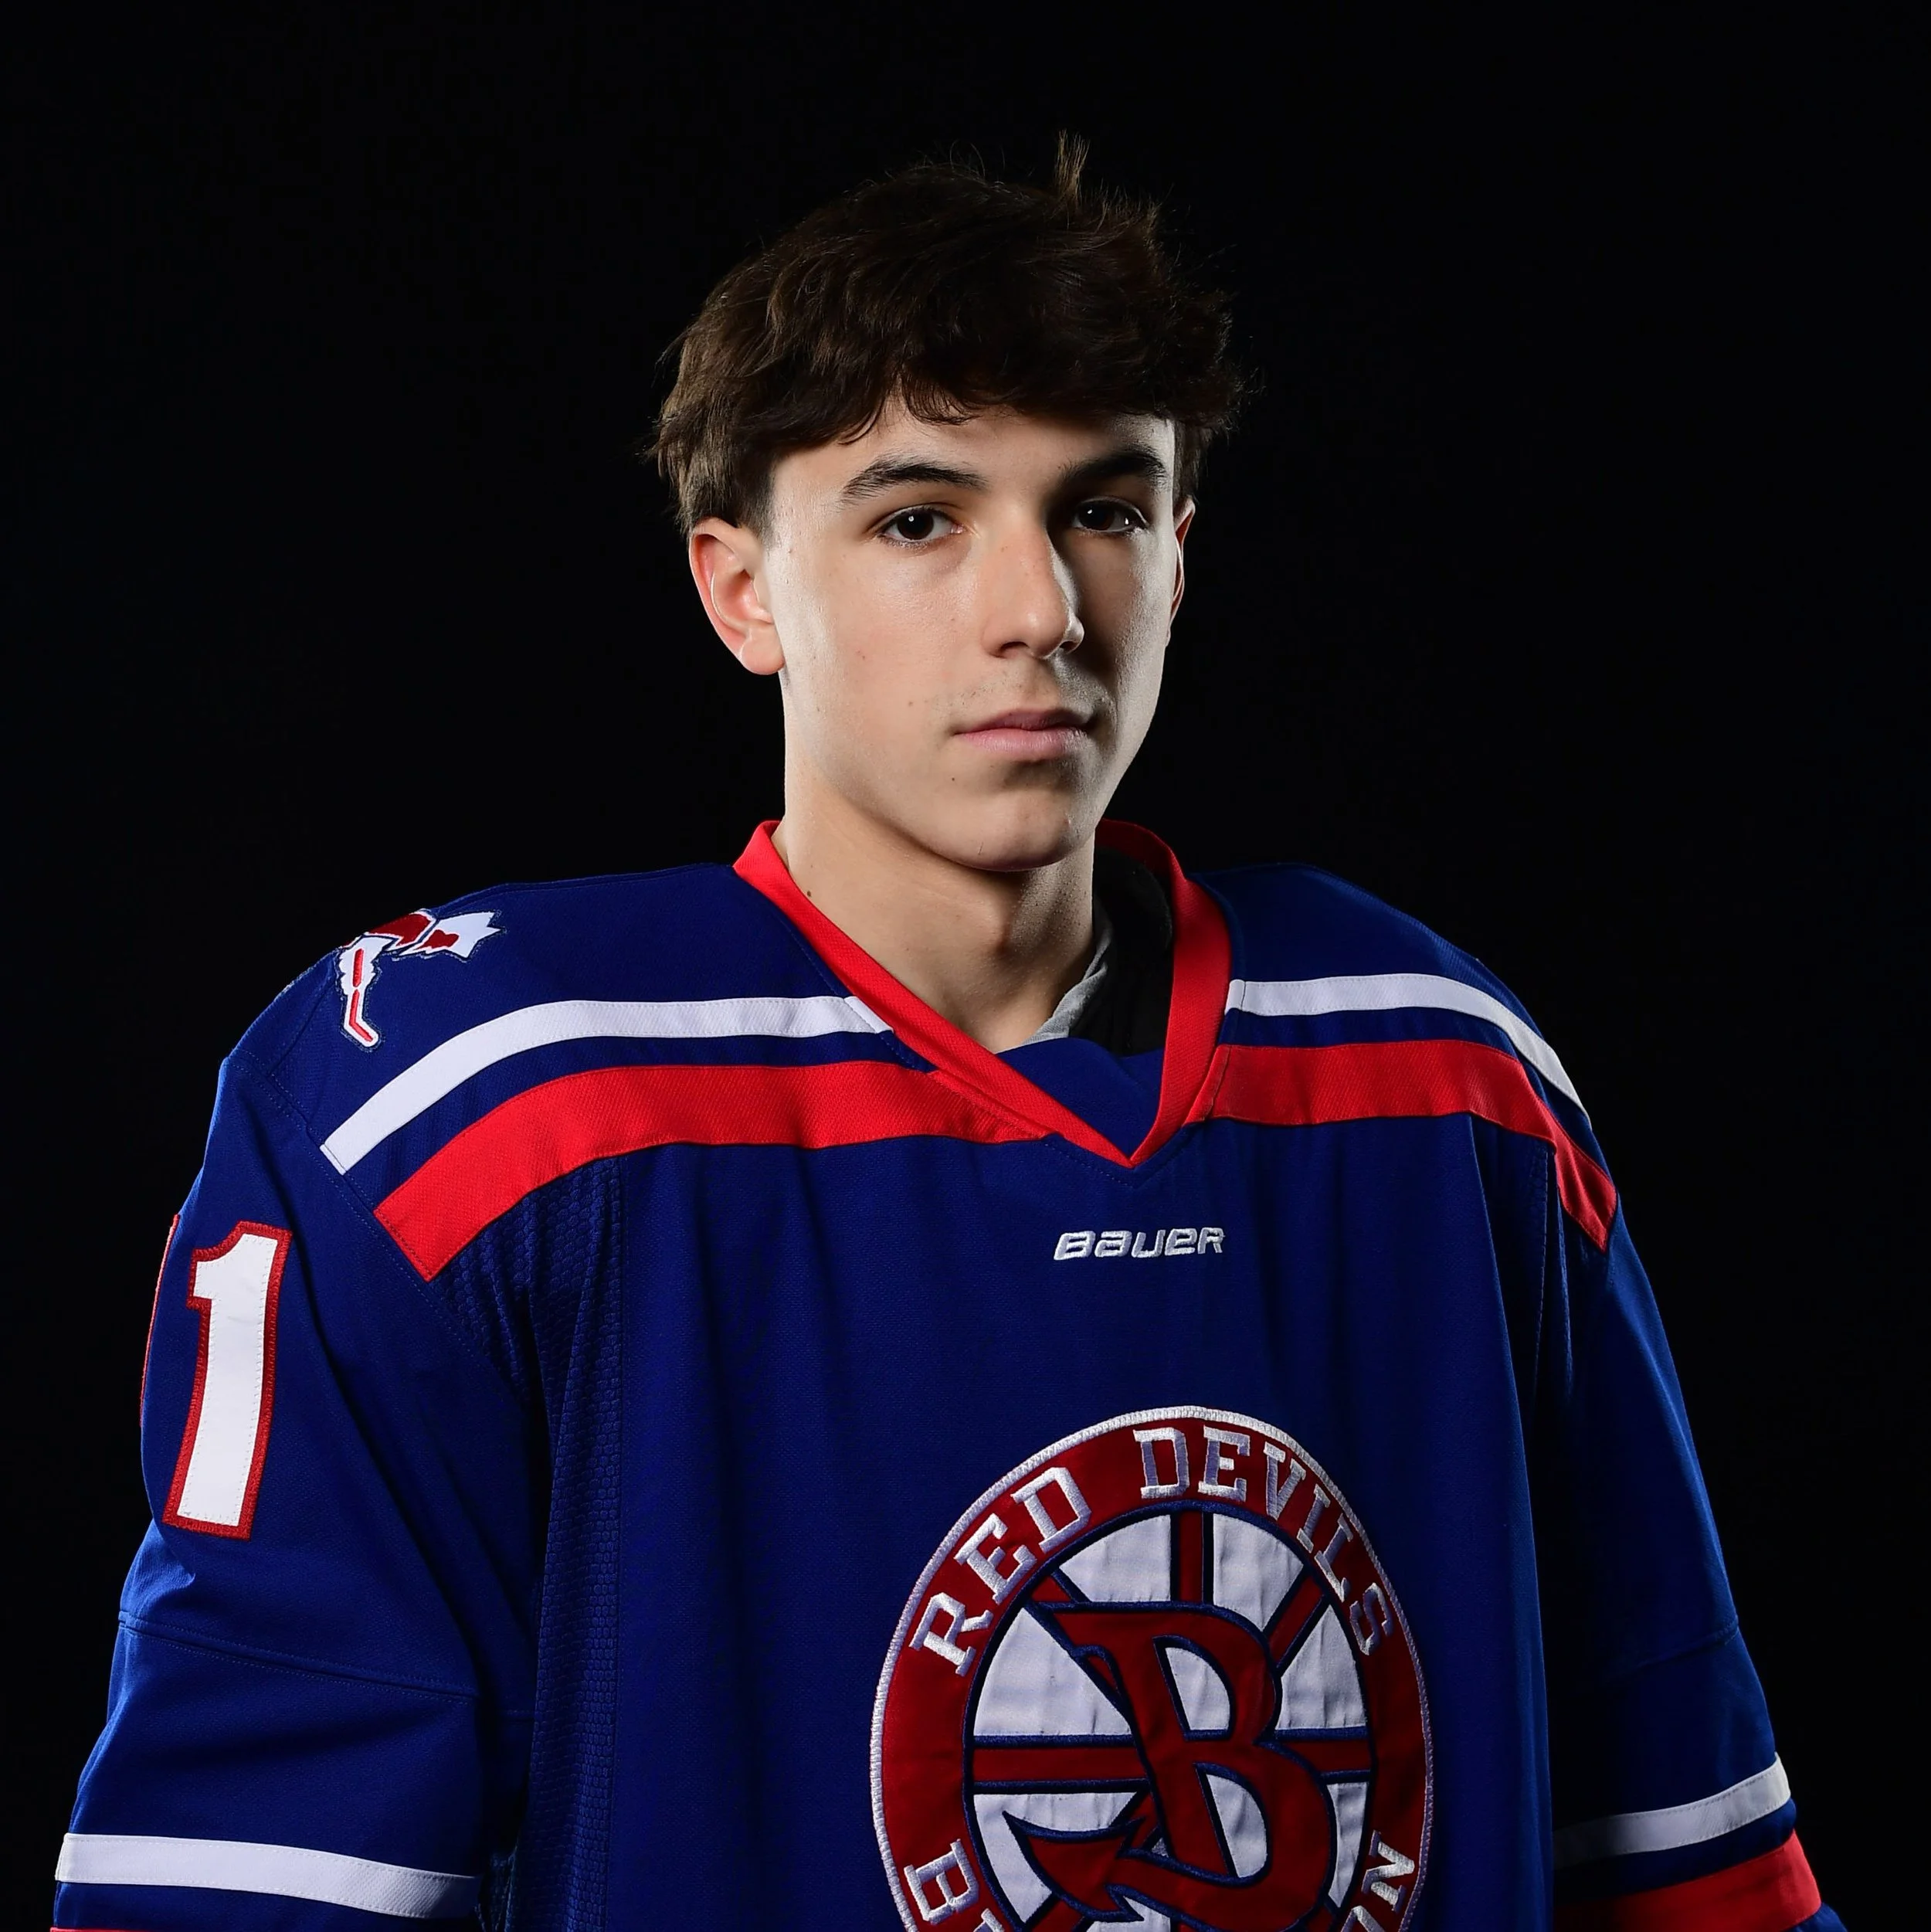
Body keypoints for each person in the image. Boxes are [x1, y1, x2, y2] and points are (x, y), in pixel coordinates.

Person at [53, 141, 1839, 1932]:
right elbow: (245, 1884)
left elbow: (1690, 1867)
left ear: (1176, 558)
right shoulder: (457, 1110)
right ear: (741, 588)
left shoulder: (1441, 1073)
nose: (1037, 612)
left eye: (1103, 509)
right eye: (918, 519)